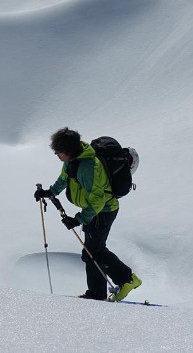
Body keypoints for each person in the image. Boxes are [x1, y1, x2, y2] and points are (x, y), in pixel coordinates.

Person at [34, 127, 142, 301]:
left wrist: (78, 219)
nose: (57, 155)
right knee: (94, 250)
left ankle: (113, 287)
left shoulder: (87, 167)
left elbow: (98, 201)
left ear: (68, 151)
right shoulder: (72, 161)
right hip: (95, 212)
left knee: (92, 252)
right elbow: (64, 178)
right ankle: (120, 283)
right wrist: (50, 192)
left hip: (103, 212)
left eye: (58, 152)